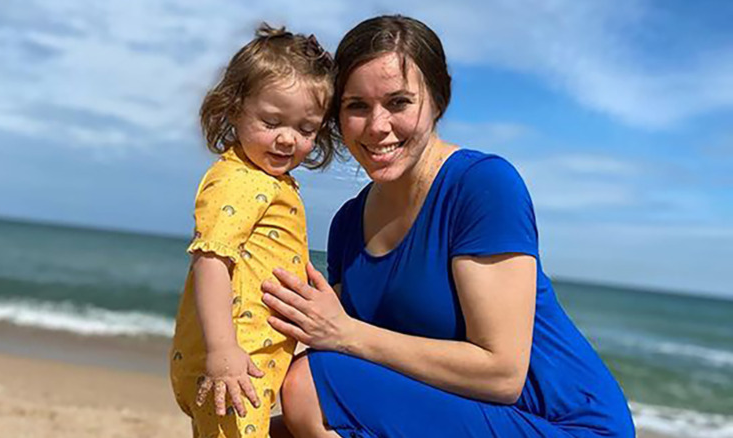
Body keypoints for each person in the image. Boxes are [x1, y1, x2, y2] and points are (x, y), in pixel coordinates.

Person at [261, 15, 636, 438]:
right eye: (357, 106)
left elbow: (502, 374)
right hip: (470, 418)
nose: (377, 125)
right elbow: (343, 352)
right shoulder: (348, 222)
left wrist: (349, 335)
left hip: (564, 425)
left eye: (399, 102)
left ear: (439, 100)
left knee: (310, 382)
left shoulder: (481, 185)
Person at [169, 23, 336, 438]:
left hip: (249, 361)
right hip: (234, 364)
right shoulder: (239, 180)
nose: (286, 139)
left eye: (305, 129)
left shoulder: (268, 180)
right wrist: (223, 351)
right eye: (272, 120)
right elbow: (211, 261)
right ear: (234, 108)